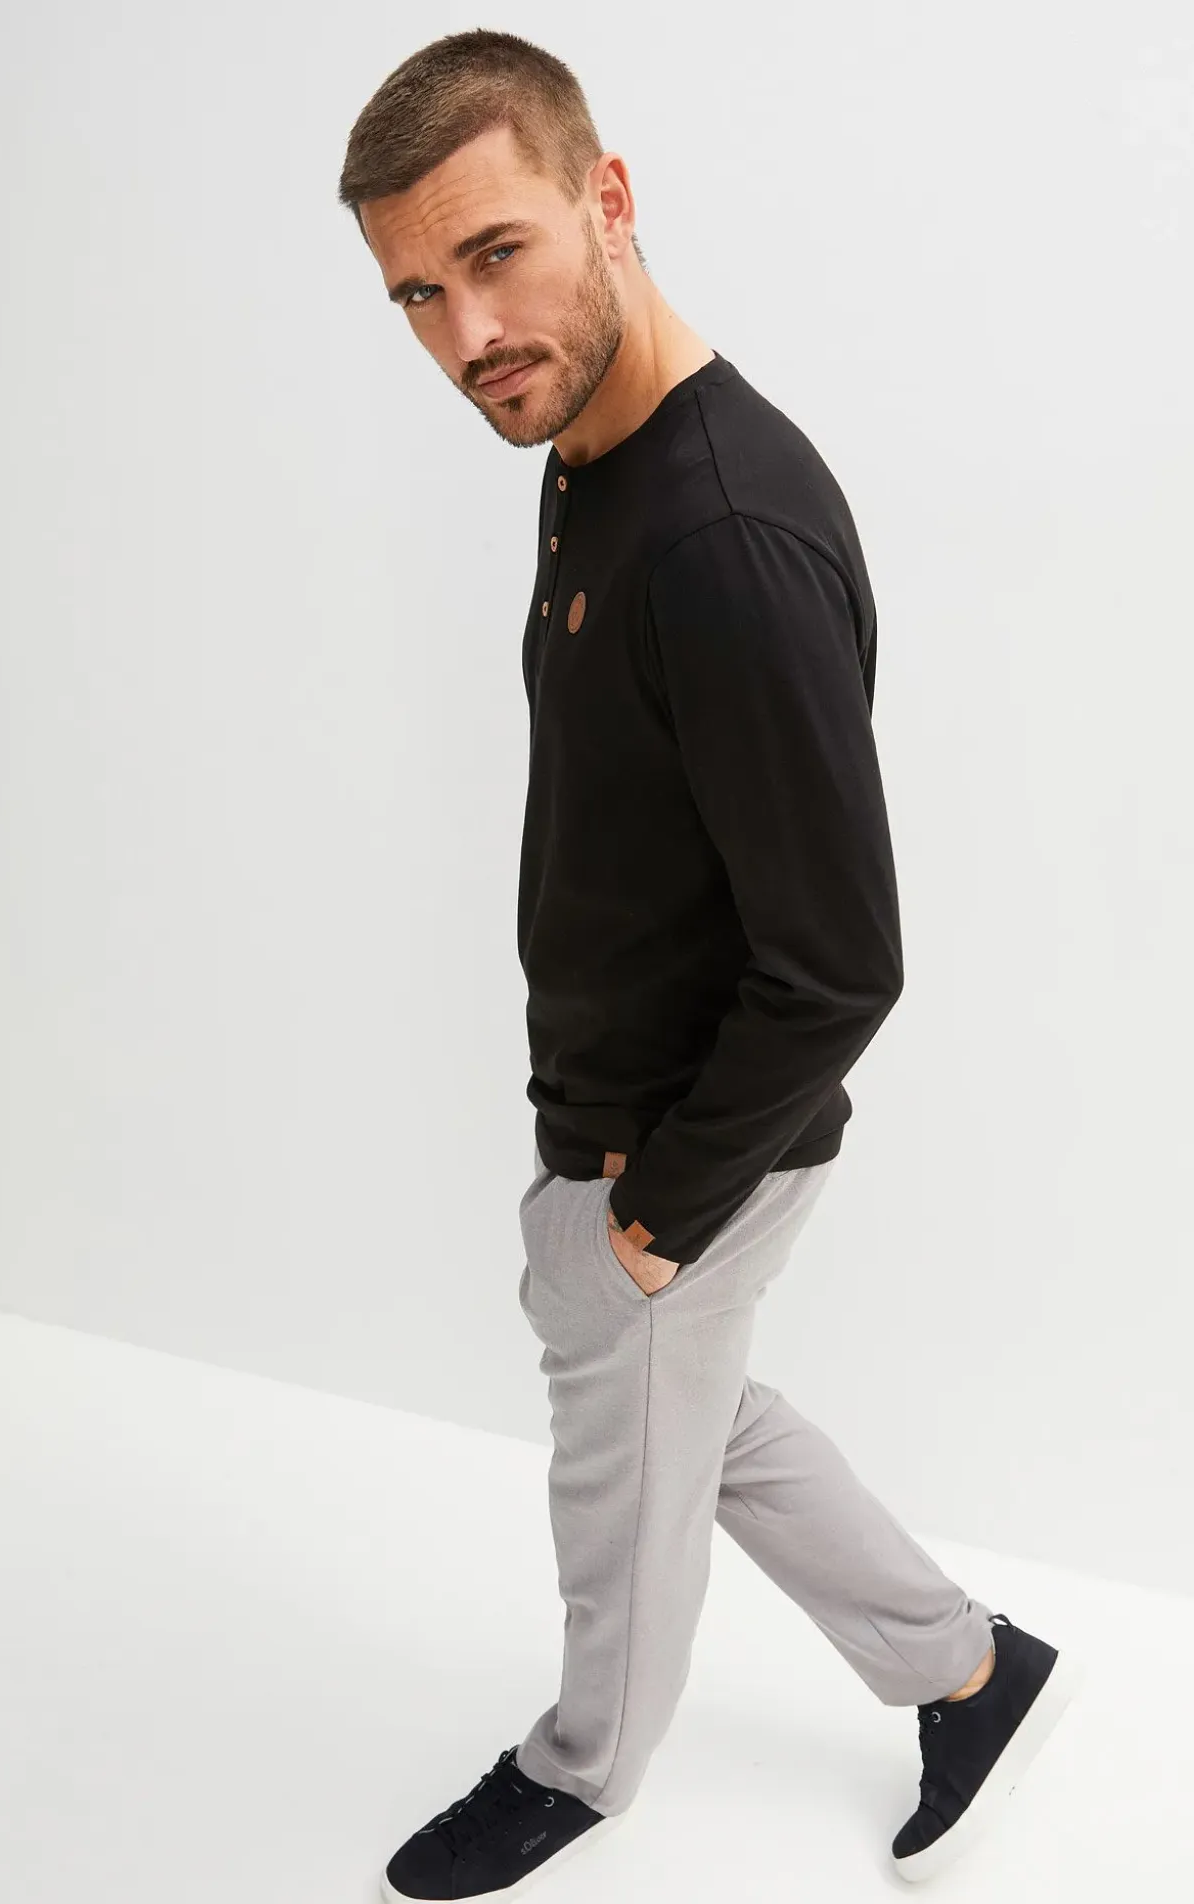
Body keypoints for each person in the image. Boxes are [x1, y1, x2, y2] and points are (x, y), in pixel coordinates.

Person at [337, 29, 1084, 1902]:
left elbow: (841, 961)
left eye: (494, 255)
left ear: (609, 198)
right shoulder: (591, 448)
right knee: (688, 1421)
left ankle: (581, 1770)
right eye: (418, 294)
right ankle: (970, 1672)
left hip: (681, 1147)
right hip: (616, 1120)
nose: (466, 334)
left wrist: (655, 1217)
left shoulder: (720, 537)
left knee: (623, 1479)